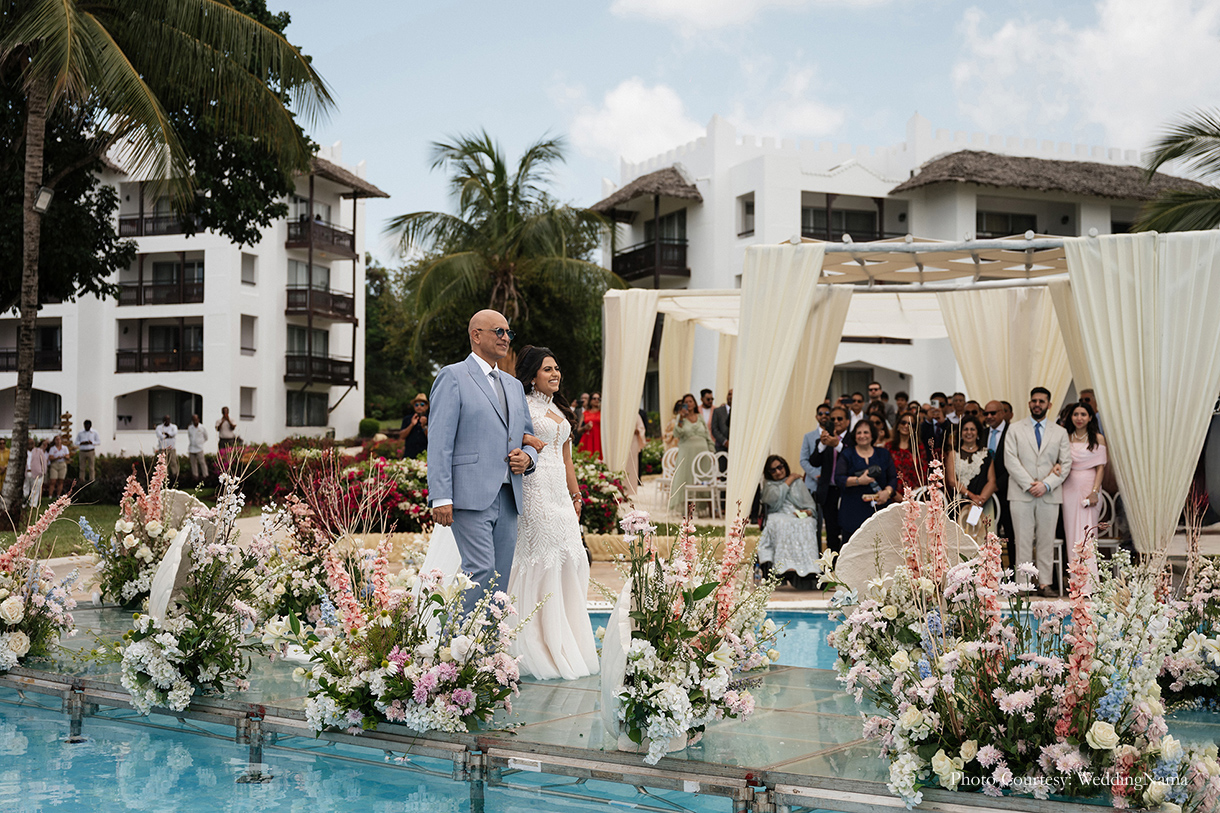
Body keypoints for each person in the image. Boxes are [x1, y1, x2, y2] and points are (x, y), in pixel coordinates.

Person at [427, 309, 539, 616]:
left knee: (499, 581)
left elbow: (528, 436)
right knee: (480, 572)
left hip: (509, 495)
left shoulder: (514, 385)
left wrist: (528, 458)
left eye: (508, 333)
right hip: (469, 495)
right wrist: (441, 496)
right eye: (498, 332)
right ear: (476, 335)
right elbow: (439, 441)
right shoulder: (452, 376)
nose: (506, 338)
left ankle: (489, 657)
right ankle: (454, 651)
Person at [508, 346, 599, 680]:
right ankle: (534, 642)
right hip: (533, 490)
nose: (556, 374)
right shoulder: (522, 408)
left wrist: (576, 495)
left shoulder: (560, 410)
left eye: (557, 368)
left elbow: (567, 459)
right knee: (542, 557)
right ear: (532, 375)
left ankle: (564, 637)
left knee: (569, 557)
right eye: (548, 369)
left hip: (559, 493)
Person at [1005, 386, 1072, 596]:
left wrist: (1046, 484)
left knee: (1046, 540)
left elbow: (1066, 463)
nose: (1037, 404)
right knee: (1022, 540)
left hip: (1049, 494)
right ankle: (1024, 585)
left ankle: (1044, 583)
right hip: (1021, 492)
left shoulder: (1060, 432)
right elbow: (1010, 460)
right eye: (1034, 401)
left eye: (1042, 401)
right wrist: (1030, 484)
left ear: (1049, 405)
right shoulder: (1015, 429)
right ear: (1029, 404)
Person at [756, 455, 820, 589]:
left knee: (807, 523)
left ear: (785, 466)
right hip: (777, 513)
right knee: (781, 524)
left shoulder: (798, 483)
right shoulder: (769, 485)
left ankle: (809, 570)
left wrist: (807, 512)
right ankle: (784, 567)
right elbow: (772, 502)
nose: (778, 472)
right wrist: (788, 481)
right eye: (773, 470)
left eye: (780, 467)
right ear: (769, 473)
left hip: (798, 514)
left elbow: (810, 505)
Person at [1060, 401, 1107, 573]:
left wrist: (1094, 492)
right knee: (1071, 531)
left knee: (1088, 532)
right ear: (1070, 417)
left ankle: (1090, 581)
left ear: (1089, 417)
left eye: (1083, 414)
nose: (1079, 418)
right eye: (1075, 414)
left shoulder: (1098, 438)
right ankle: (1075, 580)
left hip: (1090, 486)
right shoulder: (1064, 437)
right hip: (1068, 486)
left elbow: (1101, 467)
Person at [834, 420, 897, 545]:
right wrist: (858, 481)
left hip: (879, 510)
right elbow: (839, 479)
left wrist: (887, 492)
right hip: (853, 510)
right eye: (859, 433)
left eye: (866, 432)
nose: (862, 436)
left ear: (872, 435)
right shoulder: (847, 454)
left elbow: (893, 478)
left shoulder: (883, 454)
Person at [945, 415, 997, 539]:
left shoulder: (986, 454)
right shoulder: (953, 453)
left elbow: (992, 481)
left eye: (972, 429)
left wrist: (980, 500)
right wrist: (971, 496)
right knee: (959, 541)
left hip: (981, 505)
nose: (969, 432)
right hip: (959, 503)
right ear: (961, 433)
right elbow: (952, 480)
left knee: (980, 540)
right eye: (966, 429)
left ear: (978, 432)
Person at [668, 393, 715, 515]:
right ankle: (688, 511)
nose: (688, 404)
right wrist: (682, 419)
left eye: (690, 401)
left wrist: (711, 450)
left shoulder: (699, 417)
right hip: (687, 453)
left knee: (704, 478)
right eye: (686, 402)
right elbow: (677, 434)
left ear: (694, 403)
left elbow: (706, 434)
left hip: (702, 453)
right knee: (687, 479)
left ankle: (709, 510)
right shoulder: (680, 418)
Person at [814, 406, 851, 551]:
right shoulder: (826, 438)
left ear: (847, 421)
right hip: (829, 491)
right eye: (833, 419)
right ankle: (832, 567)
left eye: (840, 418)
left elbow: (853, 459)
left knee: (848, 530)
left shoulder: (852, 438)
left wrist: (838, 445)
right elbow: (814, 461)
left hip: (847, 490)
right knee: (831, 531)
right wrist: (822, 446)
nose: (836, 421)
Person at [983, 399, 1015, 561]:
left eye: (993, 413)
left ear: (1002, 413)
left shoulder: (1013, 432)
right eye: (986, 413)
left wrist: (996, 485)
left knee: (1010, 534)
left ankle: (1013, 573)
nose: (989, 416)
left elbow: (1016, 463)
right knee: (987, 533)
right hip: (985, 494)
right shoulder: (982, 434)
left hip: (1008, 491)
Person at [889, 413, 925, 495]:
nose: (906, 426)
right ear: (898, 426)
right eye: (903, 422)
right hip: (893, 493)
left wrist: (918, 490)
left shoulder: (919, 448)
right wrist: (893, 493)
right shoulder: (889, 447)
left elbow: (923, 471)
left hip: (914, 493)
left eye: (910, 424)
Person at [399, 393, 430, 459]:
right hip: (409, 455)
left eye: (422, 405)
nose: (419, 407)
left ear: (426, 406)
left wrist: (424, 426)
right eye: (416, 405)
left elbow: (432, 439)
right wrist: (412, 425)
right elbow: (402, 436)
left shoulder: (431, 419)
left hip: (425, 456)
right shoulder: (407, 419)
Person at [624, 410, 647, 497]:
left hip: (633, 441)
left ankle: (629, 491)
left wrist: (636, 431)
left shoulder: (635, 414)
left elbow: (641, 428)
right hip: (622, 442)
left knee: (631, 466)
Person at [24, 438, 47, 511]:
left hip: (37, 473)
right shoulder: (23, 451)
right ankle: (24, 503)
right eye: (29, 443)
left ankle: (33, 505)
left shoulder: (39, 451)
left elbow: (44, 462)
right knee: (25, 489)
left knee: (35, 489)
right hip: (26, 472)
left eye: (32, 443)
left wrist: (43, 472)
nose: (30, 444)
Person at [576, 393, 602, 459]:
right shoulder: (585, 413)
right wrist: (585, 427)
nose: (596, 400)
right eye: (594, 398)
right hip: (587, 439)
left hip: (599, 439)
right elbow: (578, 430)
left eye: (598, 399)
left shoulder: (603, 413)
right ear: (590, 400)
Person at [46, 435, 70, 499]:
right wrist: (57, 457)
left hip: (62, 464)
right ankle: (50, 496)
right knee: (53, 480)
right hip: (54, 464)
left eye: (59, 439)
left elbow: (68, 456)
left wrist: (64, 456)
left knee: (60, 480)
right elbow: (50, 457)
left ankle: (58, 495)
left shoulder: (65, 448)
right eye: (56, 440)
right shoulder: (52, 448)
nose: (58, 441)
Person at [155, 415, 179, 479]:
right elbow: (160, 436)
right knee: (163, 464)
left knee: (173, 462)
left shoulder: (173, 426)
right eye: (165, 420)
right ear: (163, 421)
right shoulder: (159, 427)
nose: (167, 421)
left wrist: (166, 434)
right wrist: (168, 435)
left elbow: (174, 433)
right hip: (162, 448)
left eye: (168, 419)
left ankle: (175, 477)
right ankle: (165, 477)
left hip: (171, 448)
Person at [187, 414, 209, 479]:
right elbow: (190, 436)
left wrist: (200, 443)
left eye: (196, 419)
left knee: (202, 462)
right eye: (193, 420)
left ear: (198, 420)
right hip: (191, 448)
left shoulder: (202, 427)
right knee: (193, 464)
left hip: (199, 448)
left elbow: (206, 437)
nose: (195, 421)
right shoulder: (190, 428)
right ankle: (195, 476)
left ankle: (205, 476)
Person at [711, 389, 731, 453]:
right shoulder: (718, 411)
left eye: (733, 394)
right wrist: (724, 441)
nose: (731, 396)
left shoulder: (740, 411)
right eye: (729, 394)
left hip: (736, 447)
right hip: (721, 447)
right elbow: (714, 429)